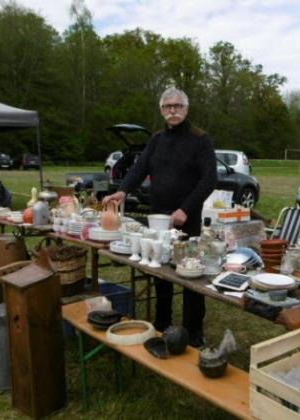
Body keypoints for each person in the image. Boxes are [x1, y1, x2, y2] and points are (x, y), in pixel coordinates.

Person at [103, 87, 217, 348]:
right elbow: (139, 168)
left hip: (187, 220)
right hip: (158, 218)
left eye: (178, 106)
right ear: (162, 110)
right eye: (168, 107)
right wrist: (122, 191)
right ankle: (162, 323)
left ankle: (194, 333)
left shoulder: (200, 140)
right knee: (159, 272)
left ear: (186, 109)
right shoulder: (156, 140)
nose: (173, 110)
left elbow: (209, 180)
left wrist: (185, 209)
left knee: (191, 276)